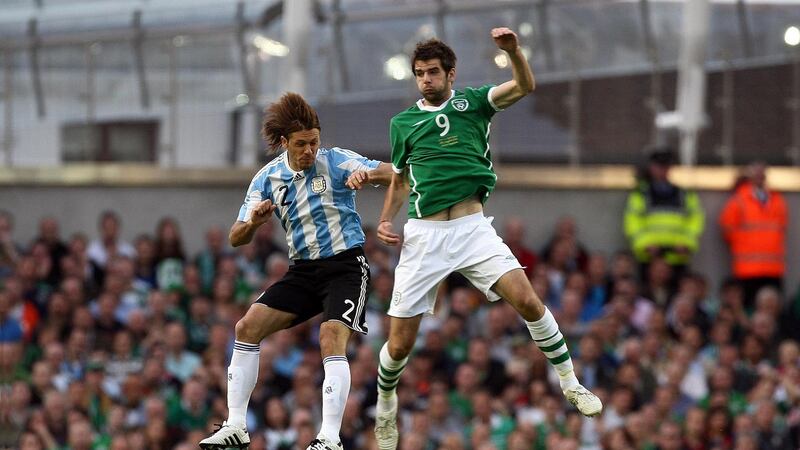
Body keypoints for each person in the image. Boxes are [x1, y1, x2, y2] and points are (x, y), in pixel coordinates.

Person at [370, 28, 602, 450]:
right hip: (424, 234)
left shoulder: (474, 103)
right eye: (420, 74)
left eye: (433, 72)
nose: (426, 80)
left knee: (529, 301)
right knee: (400, 344)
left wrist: (514, 51)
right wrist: (386, 219)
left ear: (450, 74)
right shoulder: (402, 123)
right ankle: (385, 405)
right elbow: (401, 179)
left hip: (473, 229)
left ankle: (571, 383)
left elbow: (526, 85)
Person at [199, 92, 391, 450]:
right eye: (301, 144)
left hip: (345, 266)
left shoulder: (336, 161)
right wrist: (255, 222)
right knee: (247, 326)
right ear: (284, 142)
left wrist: (368, 175)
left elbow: (393, 173)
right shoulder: (267, 178)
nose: (309, 151)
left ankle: (330, 439)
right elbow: (236, 237)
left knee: (331, 337)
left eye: (314, 142)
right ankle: (237, 426)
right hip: (303, 270)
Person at [624, 148, 704, 282]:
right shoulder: (641, 194)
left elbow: (696, 219)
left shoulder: (684, 194)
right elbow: (632, 222)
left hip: (677, 255)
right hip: (650, 256)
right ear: (651, 168)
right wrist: (646, 243)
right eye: (659, 166)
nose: (662, 171)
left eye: (665, 167)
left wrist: (686, 243)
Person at [719, 162, 787, 309]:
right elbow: (727, 229)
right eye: (756, 175)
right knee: (748, 308)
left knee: (773, 309)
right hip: (747, 268)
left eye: (762, 175)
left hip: (773, 267)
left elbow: (781, 227)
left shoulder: (776, 200)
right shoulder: (738, 200)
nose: (759, 178)